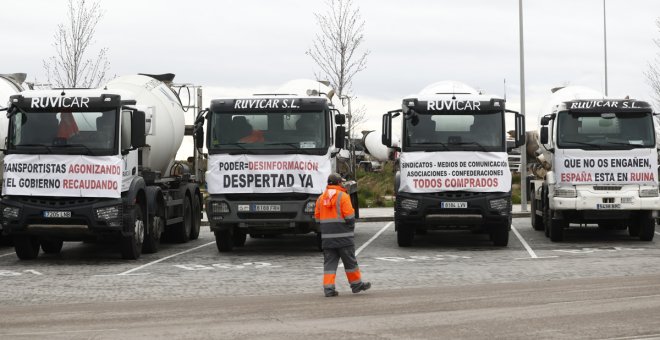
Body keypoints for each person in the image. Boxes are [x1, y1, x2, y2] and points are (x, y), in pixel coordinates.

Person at [315, 173, 371, 297]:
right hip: (344, 238)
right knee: (350, 263)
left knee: (329, 265)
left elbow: (317, 220)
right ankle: (356, 285)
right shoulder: (343, 197)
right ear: (339, 183)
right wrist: (350, 229)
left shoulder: (320, 198)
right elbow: (350, 218)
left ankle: (329, 289)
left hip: (327, 240)